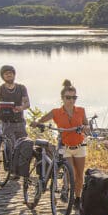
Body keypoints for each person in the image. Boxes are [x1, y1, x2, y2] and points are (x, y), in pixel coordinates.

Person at [36, 79, 90, 208]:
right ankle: (66, 190)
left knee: (79, 176)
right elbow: (42, 119)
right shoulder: (56, 112)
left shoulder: (81, 111)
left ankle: (77, 198)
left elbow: (86, 124)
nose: (71, 100)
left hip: (79, 146)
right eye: (68, 97)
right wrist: (37, 123)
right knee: (70, 172)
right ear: (62, 98)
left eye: (74, 97)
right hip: (65, 147)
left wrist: (85, 128)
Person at [0, 65, 31, 144]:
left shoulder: (21, 88)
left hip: (20, 122)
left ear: (14, 74)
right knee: (9, 145)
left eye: (10, 73)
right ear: (3, 76)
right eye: (6, 74)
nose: (9, 75)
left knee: (23, 145)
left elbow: (27, 103)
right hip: (5, 122)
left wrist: (21, 107)